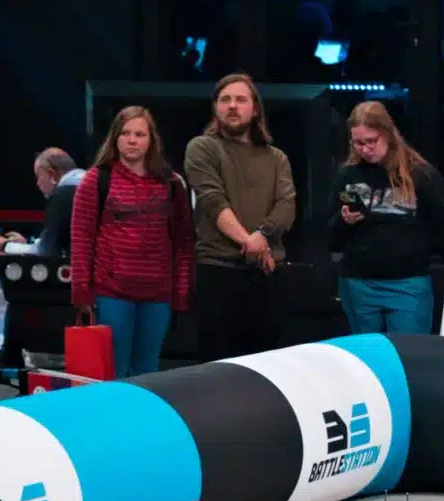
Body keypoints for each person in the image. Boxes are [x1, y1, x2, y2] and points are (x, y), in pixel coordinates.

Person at [70, 106, 195, 377]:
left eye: (139, 134)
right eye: (125, 133)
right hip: (112, 293)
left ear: (151, 140)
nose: (132, 140)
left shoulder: (171, 183)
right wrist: (81, 293)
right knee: (113, 372)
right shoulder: (96, 180)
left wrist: (180, 293)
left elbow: (183, 242)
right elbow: (81, 239)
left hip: (158, 295)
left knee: (148, 372)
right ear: (115, 138)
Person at [330, 101, 444, 335]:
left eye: (371, 141)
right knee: (366, 353)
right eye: (358, 143)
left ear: (387, 135)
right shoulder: (347, 175)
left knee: (407, 350)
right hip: (359, 281)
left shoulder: (420, 174)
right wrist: (344, 221)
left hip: (408, 282)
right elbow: (328, 235)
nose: (365, 149)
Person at [184, 73, 296, 360]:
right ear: (215, 107)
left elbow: (286, 205)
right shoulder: (202, 147)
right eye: (225, 100)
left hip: (268, 275)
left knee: (268, 367)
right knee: (220, 367)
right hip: (218, 271)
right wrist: (250, 241)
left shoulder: (277, 157)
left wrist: (261, 234)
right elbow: (213, 201)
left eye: (240, 100)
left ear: (255, 108)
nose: (232, 106)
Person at [0, 148, 86, 368]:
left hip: (77, 280)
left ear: (52, 174)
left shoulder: (64, 194)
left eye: (39, 177)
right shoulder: (90, 184)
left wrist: (7, 246)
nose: (38, 184)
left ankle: (10, 354)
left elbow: (47, 253)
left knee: (19, 287)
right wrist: (26, 243)